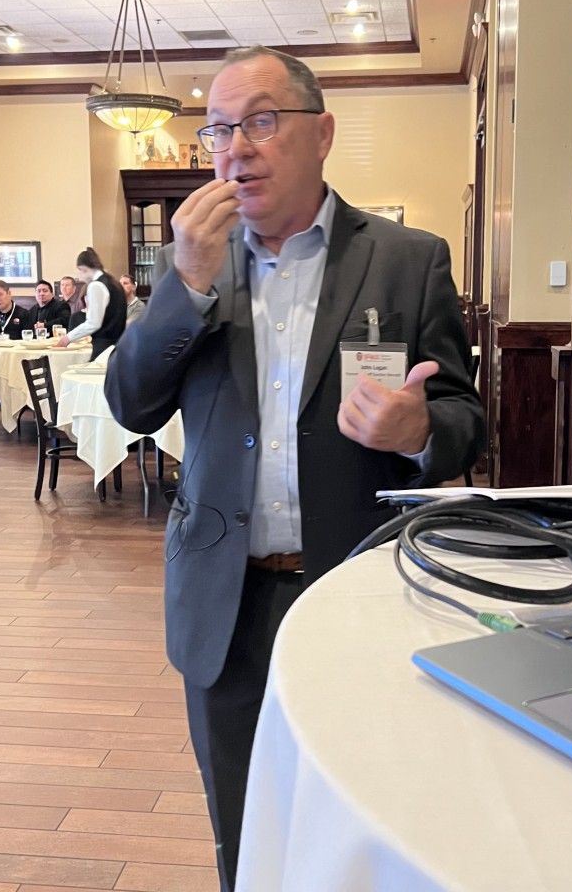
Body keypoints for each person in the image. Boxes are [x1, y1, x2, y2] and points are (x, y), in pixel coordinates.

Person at [105, 46, 484, 892]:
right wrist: (185, 289)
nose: (236, 149)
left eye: (262, 122)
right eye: (218, 131)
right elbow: (131, 407)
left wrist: (420, 428)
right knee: (242, 828)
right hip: (223, 600)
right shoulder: (194, 263)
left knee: (361, 812)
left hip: (357, 590)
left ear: (323, 133)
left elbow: (466, 421)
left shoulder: (405, 259)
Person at [55, 248, 126, 360]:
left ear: (83, 268)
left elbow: (93, 323)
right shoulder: (115, 283)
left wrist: (67, 338)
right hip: (119, 344)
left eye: (79, 270)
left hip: (103, 347)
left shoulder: (96, 285)